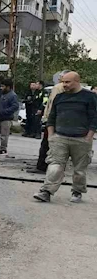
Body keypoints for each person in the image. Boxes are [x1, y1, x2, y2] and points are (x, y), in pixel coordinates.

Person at [33, 72, 97, 203]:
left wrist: (89, 136)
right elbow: (52, 117)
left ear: (77, 81)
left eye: (67, 82)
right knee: (55, 165)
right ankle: (46, 191)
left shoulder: (89, 97)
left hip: (81, 139)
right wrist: (51, 135)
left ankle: (77, 191)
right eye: (63, 82)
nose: (64, 85)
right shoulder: (59, 97)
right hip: (60, 137)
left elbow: (94, 118)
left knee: (79, 169)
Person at [28, 72, 67, 174]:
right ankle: (52, 166)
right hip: (59, 120)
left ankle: (42, 166)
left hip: (52, 120)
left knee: (46, 144)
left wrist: (47, 118)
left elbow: (52, 103)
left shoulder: (58, 87)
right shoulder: (66, 88)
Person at [0, 78, 19, 155]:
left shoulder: (13, 96)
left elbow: (15, 106)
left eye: (3, 86)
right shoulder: (3, 95)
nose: (1, 88)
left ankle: (3, 148)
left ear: (8, 87)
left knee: (4, 135)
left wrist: (5, 111)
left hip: (6, 118)